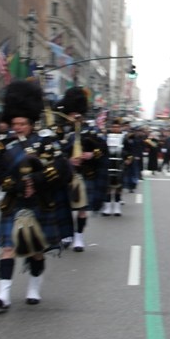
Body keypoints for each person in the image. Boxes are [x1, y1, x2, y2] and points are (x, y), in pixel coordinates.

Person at [0, 80, 74, 309]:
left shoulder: (46, 141)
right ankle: (3, 295)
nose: (18, 127)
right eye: (15, 123)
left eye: (22, 124)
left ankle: (34, 288)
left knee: (36, 250)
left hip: (40, 202)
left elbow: (63, 170)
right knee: (8, 248)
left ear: (31, 123)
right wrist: (15, 185)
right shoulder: (5, 145)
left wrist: (37, 180)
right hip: (14, 202)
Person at [58, 87, 108, 251]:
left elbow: (103, 148)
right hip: (65, 174)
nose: (75, 117)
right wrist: (67, 160)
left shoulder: (91, 131)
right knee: (64, 207)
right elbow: (52, 151)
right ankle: (66, 234)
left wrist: (91, 154)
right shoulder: (61, 132)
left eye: (78, 114)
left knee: (82, 208)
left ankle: (79, 236)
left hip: (85, 174)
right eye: (73, 114)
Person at [101, 117, 131, 216]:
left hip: (119, 164)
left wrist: (128, 159)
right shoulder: (106, 137)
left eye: (117, 127)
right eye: (113, 127)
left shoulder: (124, 138)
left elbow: (129, 150)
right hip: (108, 164)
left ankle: (117, 208)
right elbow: (102, 149)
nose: (115, 128)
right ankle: (108, 208)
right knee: (108, 187)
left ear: (120, 127)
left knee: (118, 187)